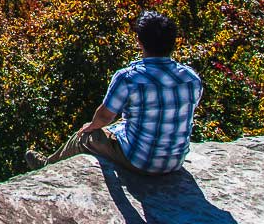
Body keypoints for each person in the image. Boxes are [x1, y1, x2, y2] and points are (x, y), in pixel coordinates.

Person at [25, 10, 203, 175]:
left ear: (139, 41)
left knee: (84, 136)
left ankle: (46, 167)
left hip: (141, 162)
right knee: (123, 122)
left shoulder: (129, 78)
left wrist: (91, 126)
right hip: (175, 162)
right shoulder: (191, 78)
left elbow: (104, 116)